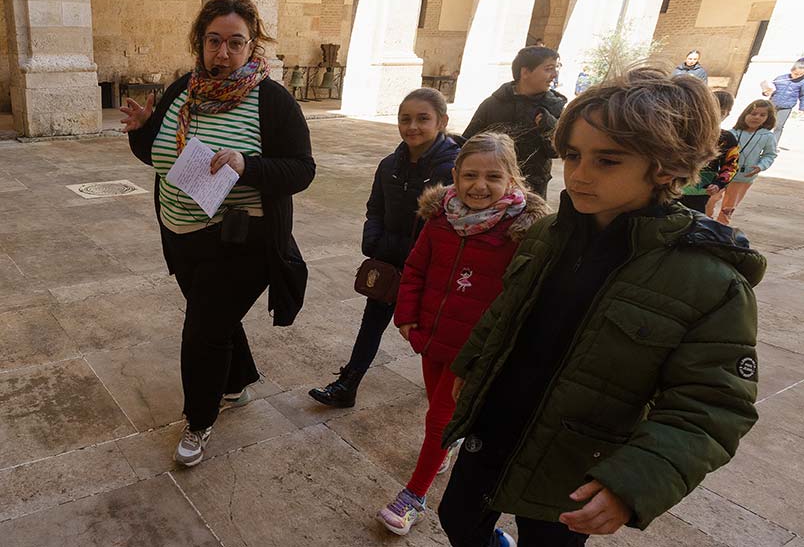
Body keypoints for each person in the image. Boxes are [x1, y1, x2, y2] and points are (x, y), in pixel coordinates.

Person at [438, 68, 764, 547]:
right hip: (497, 426)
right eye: (572, 155)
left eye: (607, 160)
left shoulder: (710, 281)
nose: (579, 174)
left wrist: (635, 481)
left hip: (573, 461)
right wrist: (472, 365)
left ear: (668, 165)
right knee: (458, 520)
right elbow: (505, 311)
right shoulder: (547, 235)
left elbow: (711, 405)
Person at [122, 0, 315, 467]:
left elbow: (301, 170)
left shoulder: (271, 100)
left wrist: (247, 165)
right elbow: (158, 156)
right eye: (214, 41)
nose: (223, 53)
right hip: (180, 232)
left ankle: (200, 419)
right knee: (215, 318)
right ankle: (235, 381)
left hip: (240, 239)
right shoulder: (183, 90)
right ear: (200, 42)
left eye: (235, 42)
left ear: (252, 45)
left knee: (202, 331)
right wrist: (141, 130)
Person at [377, 133, 549, 537]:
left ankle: (414, 495)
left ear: (513, 180)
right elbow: (416, 267)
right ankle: (445, 447)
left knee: (439, 418)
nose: (479, 185)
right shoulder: (441, 218)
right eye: (470, 174)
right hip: (431, 337)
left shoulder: (521, 231)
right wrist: (407, 315)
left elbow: (520, 297)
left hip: (473, 349)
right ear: (455, 175)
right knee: (437, 411)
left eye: (493, 176)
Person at [308, 89, 460, 408]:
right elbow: (375, 207)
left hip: (430, 268)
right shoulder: (389, 164)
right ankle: (348, 383)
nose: (412, 127)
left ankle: (440, 386)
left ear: (442, 121)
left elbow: (451, 226)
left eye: (423, 119)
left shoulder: (453, 171)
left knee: (432, 330)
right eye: (405, 119)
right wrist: (373, 241)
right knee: (372, 321)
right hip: (389, 261)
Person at [463, 46, 567, 199]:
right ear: (525, 72)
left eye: (555, 68)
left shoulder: (554, 107)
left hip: (532, 189)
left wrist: (549, 126)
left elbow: (557, 151)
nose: (554, 75)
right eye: (548, 69)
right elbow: (468, 143)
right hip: (493, 187)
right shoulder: (493, 104)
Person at [709, 99, 777, 225]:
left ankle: (722, 227)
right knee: (710, 200)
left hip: (743, 178)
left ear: (768, 118)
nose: (756, 117)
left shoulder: (767, 137)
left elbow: (770, 155)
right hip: (722, 176)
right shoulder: (731, 133)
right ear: (745, 114)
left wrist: (761, 166)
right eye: (753, 113)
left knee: (729, 206)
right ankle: (705, 222)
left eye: (762, 115)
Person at [679, 90, 739, 214]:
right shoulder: (685, 132)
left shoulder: (727, 139)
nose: (715, 116)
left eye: (721, 112)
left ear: (727, 114)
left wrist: (719, 183)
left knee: (693, 218)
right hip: (675, 185)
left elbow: (731, 165)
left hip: (700, 189)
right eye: (712, 111)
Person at [761, 58, 804, 147]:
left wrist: (802, 108)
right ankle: (759, 142)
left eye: (801, 74)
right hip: (772, 104)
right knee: (766, 124)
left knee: (779, 126)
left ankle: (772, 146)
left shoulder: (802, 82)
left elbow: (802, 96)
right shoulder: (781, 79)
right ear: (792, 70)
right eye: (796, 73)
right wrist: (766, 92)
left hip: (786, 106)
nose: (798, 76)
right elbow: (769, 88)